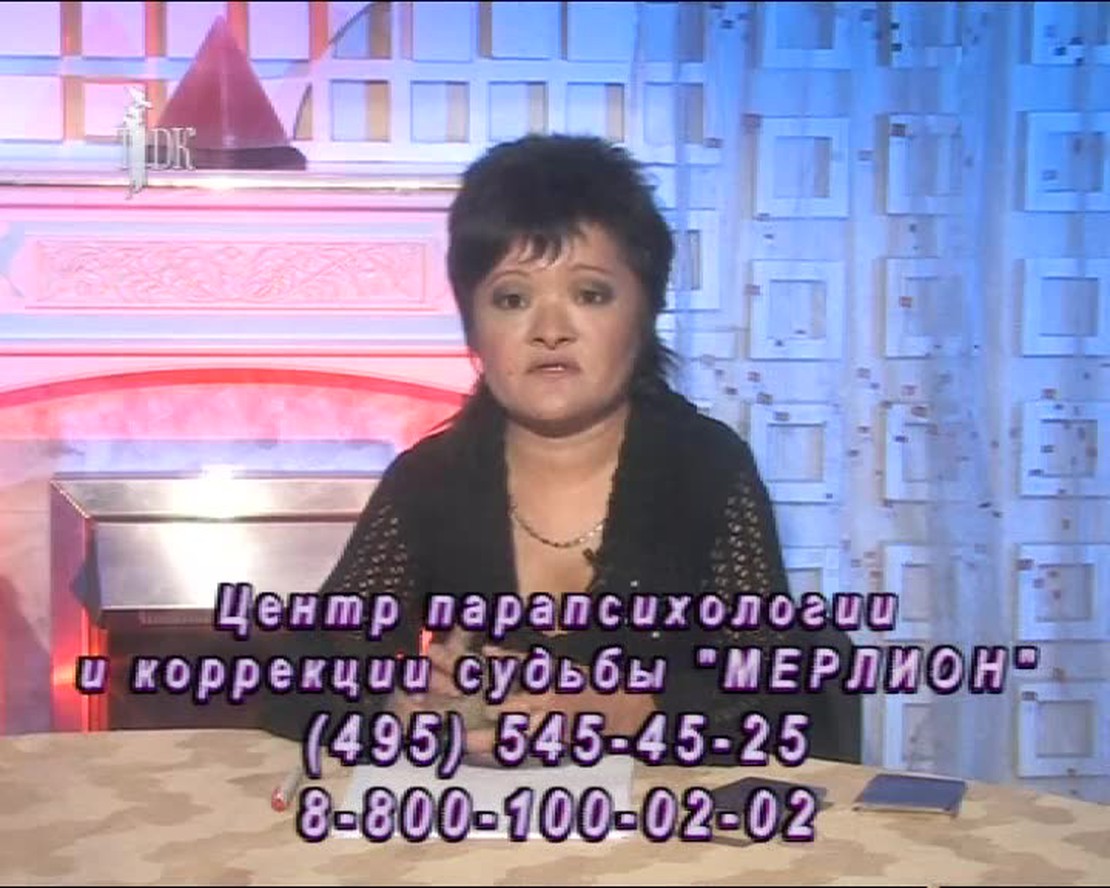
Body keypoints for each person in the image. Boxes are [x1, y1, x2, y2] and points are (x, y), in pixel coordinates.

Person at [260, 133, 861, 765]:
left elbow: (778, 692)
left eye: (590, 294)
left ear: (646, 312)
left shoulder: (706, 469)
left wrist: (629, 710)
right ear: (472, 325)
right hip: (477, 817)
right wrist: (398, 701)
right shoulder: (430, 480)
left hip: (660, 820)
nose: (549, 331)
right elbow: (301, 678)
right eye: (512, 299)